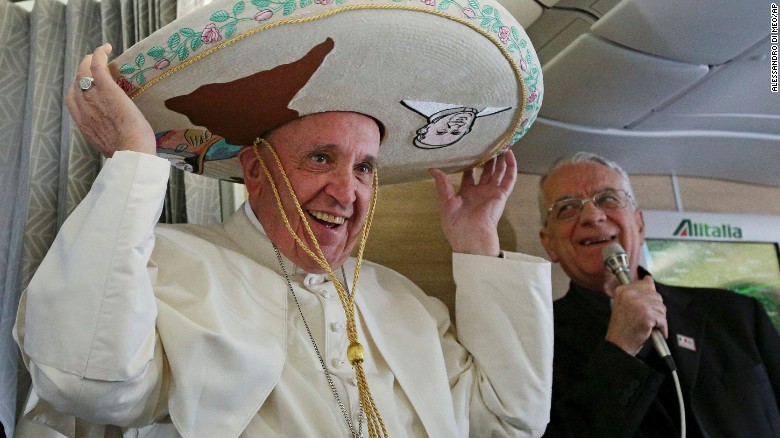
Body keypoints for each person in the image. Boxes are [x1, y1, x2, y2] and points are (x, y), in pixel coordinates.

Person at [13, 1, 553, 437]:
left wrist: (477, 242)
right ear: (255, 170)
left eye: (364, 167)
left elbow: (508, 421)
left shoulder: (408, 303)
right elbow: (82, 380)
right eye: (321, 158)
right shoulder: (164, 264)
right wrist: (135, 157)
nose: (346, 191)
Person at [537, 151, 780, 437]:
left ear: (639, 225)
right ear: (549, 243)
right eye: (566, 208)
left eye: (608, 199)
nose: (592, 215)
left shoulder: (738, 314)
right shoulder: (536, 341)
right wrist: (620, 348)